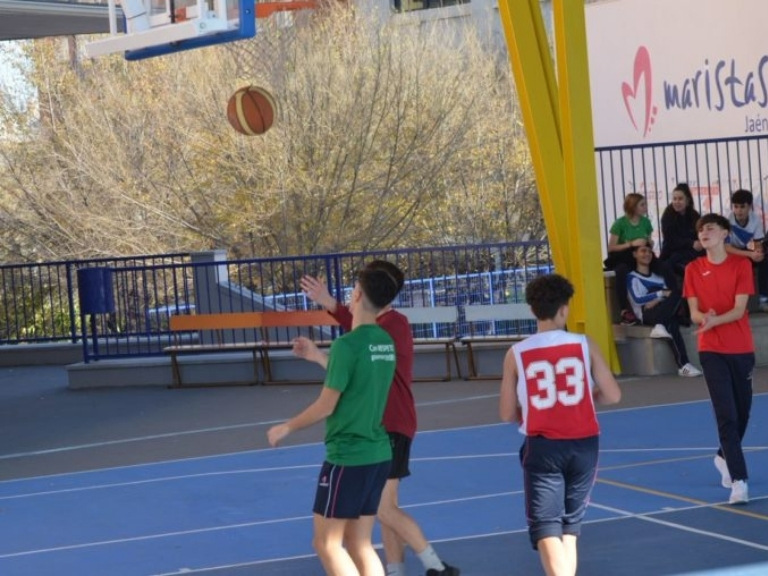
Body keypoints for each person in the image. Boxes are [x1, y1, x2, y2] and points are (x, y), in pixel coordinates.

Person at [297, 261, 459, 576]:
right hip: (384, 425)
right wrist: (320, 346)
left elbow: (358, 345)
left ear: (366, 294)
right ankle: (396, 569)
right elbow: (354, 359)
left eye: (356, 289)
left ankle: (435, 566)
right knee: (385, 507)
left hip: (390, 425)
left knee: (383, 509)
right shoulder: (384, 326)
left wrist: (331, 306)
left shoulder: (390, 327)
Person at [267, 266, 399, 576]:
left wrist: (287, 426)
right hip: (378, 453)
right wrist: (317, 356)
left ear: (358, 295)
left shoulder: (347, 345)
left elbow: (327, 405)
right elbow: (357, 380)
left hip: (348, 456)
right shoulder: (384, 342)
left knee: (327, 544)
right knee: (360, 544)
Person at [499, 274, 621, 576]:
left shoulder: (517, 353)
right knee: (570, 526)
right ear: (564, 309)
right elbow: (613, 395)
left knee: (546, 527)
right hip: (585, 443)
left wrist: (526, 408)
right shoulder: (584, 344)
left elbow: (506, 412)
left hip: (544, 446)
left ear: (532, 310)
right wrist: (587, 396)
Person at [683, 213, 756, 505]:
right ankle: (739, 481)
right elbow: (693, 312)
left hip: (741, 348)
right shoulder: (693, 269)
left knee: (743, 413)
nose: (704, 232)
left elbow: (739, 310)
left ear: (725, 233)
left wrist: (716, 320)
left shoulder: (741, 265)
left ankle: (723, 456)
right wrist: (705, 319)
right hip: (711, 349)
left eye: (710, 227)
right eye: (701, 229)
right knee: (726, 414)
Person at [627, 244, 702, 377]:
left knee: (673, 316)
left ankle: (683, 365)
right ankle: (683, 365)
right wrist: (660, 294)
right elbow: (638, 299)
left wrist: (657, 298)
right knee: (672, 319)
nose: (647, 254)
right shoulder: (632, 277)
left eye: (649, 251)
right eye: (643, 251)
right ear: (634, 254)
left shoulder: (658, 277)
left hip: (663, 310)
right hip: (646, 314)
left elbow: (669, 295)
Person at [604, 193, 655, 325]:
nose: (645, 207)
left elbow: (649, 240)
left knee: (660, 266)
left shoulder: (646, 222)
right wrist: (631, 244)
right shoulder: (620, 223)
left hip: (641, 255)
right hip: (624, 257)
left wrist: (648, 243)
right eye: (642, 205)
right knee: (622, 271)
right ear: (633, 207)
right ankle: (624, 310)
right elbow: (611, 248)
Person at [725, 189, 768, 313]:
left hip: (745, 251)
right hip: (730, 254)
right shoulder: (727, 221)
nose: (739, 210)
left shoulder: (756, 220)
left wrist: (758, 253)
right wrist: (750, 254)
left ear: (749, 207)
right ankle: (732, 304)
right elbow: (727, 248)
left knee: (764, 260)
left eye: (742, 207)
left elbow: (758, 244)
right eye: (736, 207)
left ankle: (763, 300)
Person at [659, 183, 704, 279]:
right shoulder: (668, 215)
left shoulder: (694, 214)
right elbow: (670, 240)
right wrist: (691, 243)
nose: (677, 202)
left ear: (687, 200)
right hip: (673, 251)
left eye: (680, 199)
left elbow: (700, 232)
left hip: (691, 251)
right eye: (674, 199)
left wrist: (700, 242)